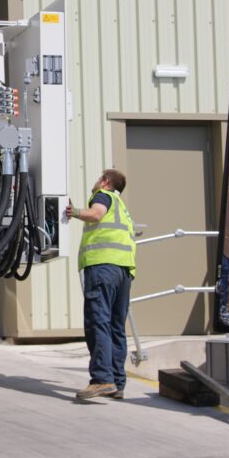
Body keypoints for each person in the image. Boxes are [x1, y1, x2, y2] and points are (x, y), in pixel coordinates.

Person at [65, 169, 136, 400]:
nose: (95, 182)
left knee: (98, 322)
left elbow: (96, 215)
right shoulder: (121, 206)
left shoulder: (103, 196)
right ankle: (117, 382)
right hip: (123, 270)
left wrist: (73, 211)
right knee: (116, 326)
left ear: (105, 181)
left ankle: (102, 380)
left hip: (102, 267)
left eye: (98, 178)